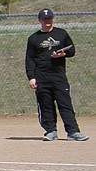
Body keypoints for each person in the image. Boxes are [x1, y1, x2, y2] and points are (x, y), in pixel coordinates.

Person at [25, 8, 87, 141]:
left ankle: (73, 131)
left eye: (49, 18)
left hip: (58, 76)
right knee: (45, 104)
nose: (47, 21)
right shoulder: (33, 38)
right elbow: (29, 59)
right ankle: (50, 131)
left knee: (65, 104)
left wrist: (63, 54)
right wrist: (31, 77)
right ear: (39, 20)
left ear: (53, 19)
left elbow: (72, 50)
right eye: (44, 19)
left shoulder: (61, 34)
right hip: (41, 76)